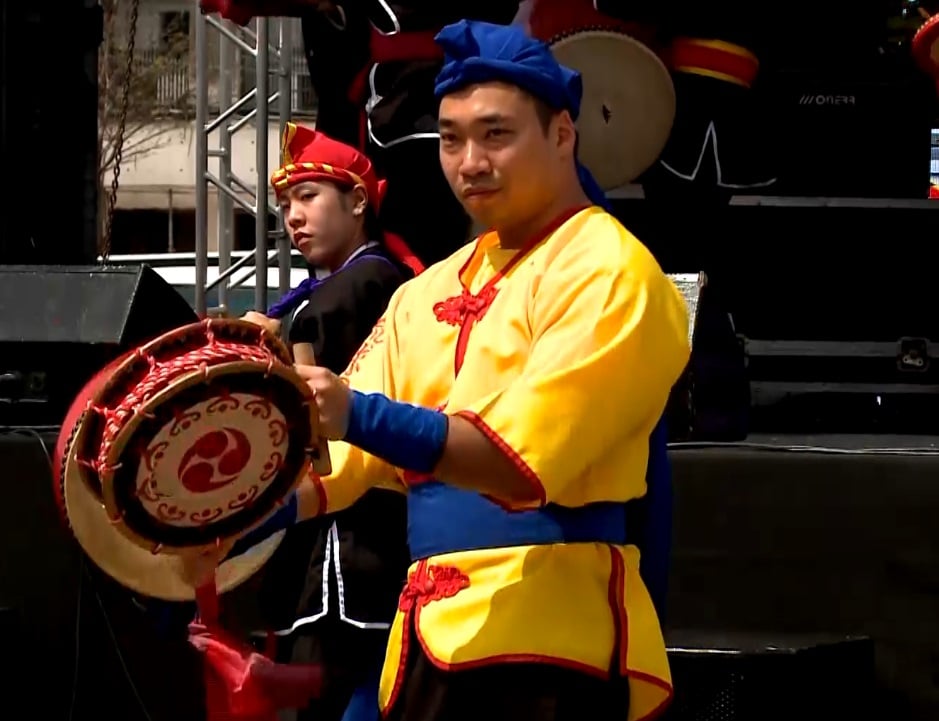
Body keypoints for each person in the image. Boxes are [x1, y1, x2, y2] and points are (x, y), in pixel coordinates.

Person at [212, 19, 690, 721]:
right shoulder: (426, 289)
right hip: (427, 641)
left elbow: (520, 462)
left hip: (550, 642)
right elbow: (340, 460)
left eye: (496, 134)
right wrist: (231, 519)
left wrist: (356, 412)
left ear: (562, 134)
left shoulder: (610, 270)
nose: (469, 161)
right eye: (449, 138)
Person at [233, 122, 421, 721]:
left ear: (360, 202)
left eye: (309, 197)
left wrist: (270, 345)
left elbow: (319, 360)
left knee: (353, 679)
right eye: (286, 204)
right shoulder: (325, 291)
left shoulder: (371, 280)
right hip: (335, 517)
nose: (293, 216)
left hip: (362, 524)